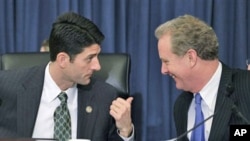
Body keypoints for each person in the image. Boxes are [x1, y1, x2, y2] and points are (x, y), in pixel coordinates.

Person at [0, 12, 134, 141]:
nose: (97, 66)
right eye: (90, 58)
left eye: (97, 56)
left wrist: (125, 130)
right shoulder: (6, 86)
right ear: (63, 59)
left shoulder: (104, 97)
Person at [154, 14, 250, 141]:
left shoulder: (246, 86)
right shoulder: (181, 106)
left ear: (191, 58)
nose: (163, 70)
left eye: (166, 62)